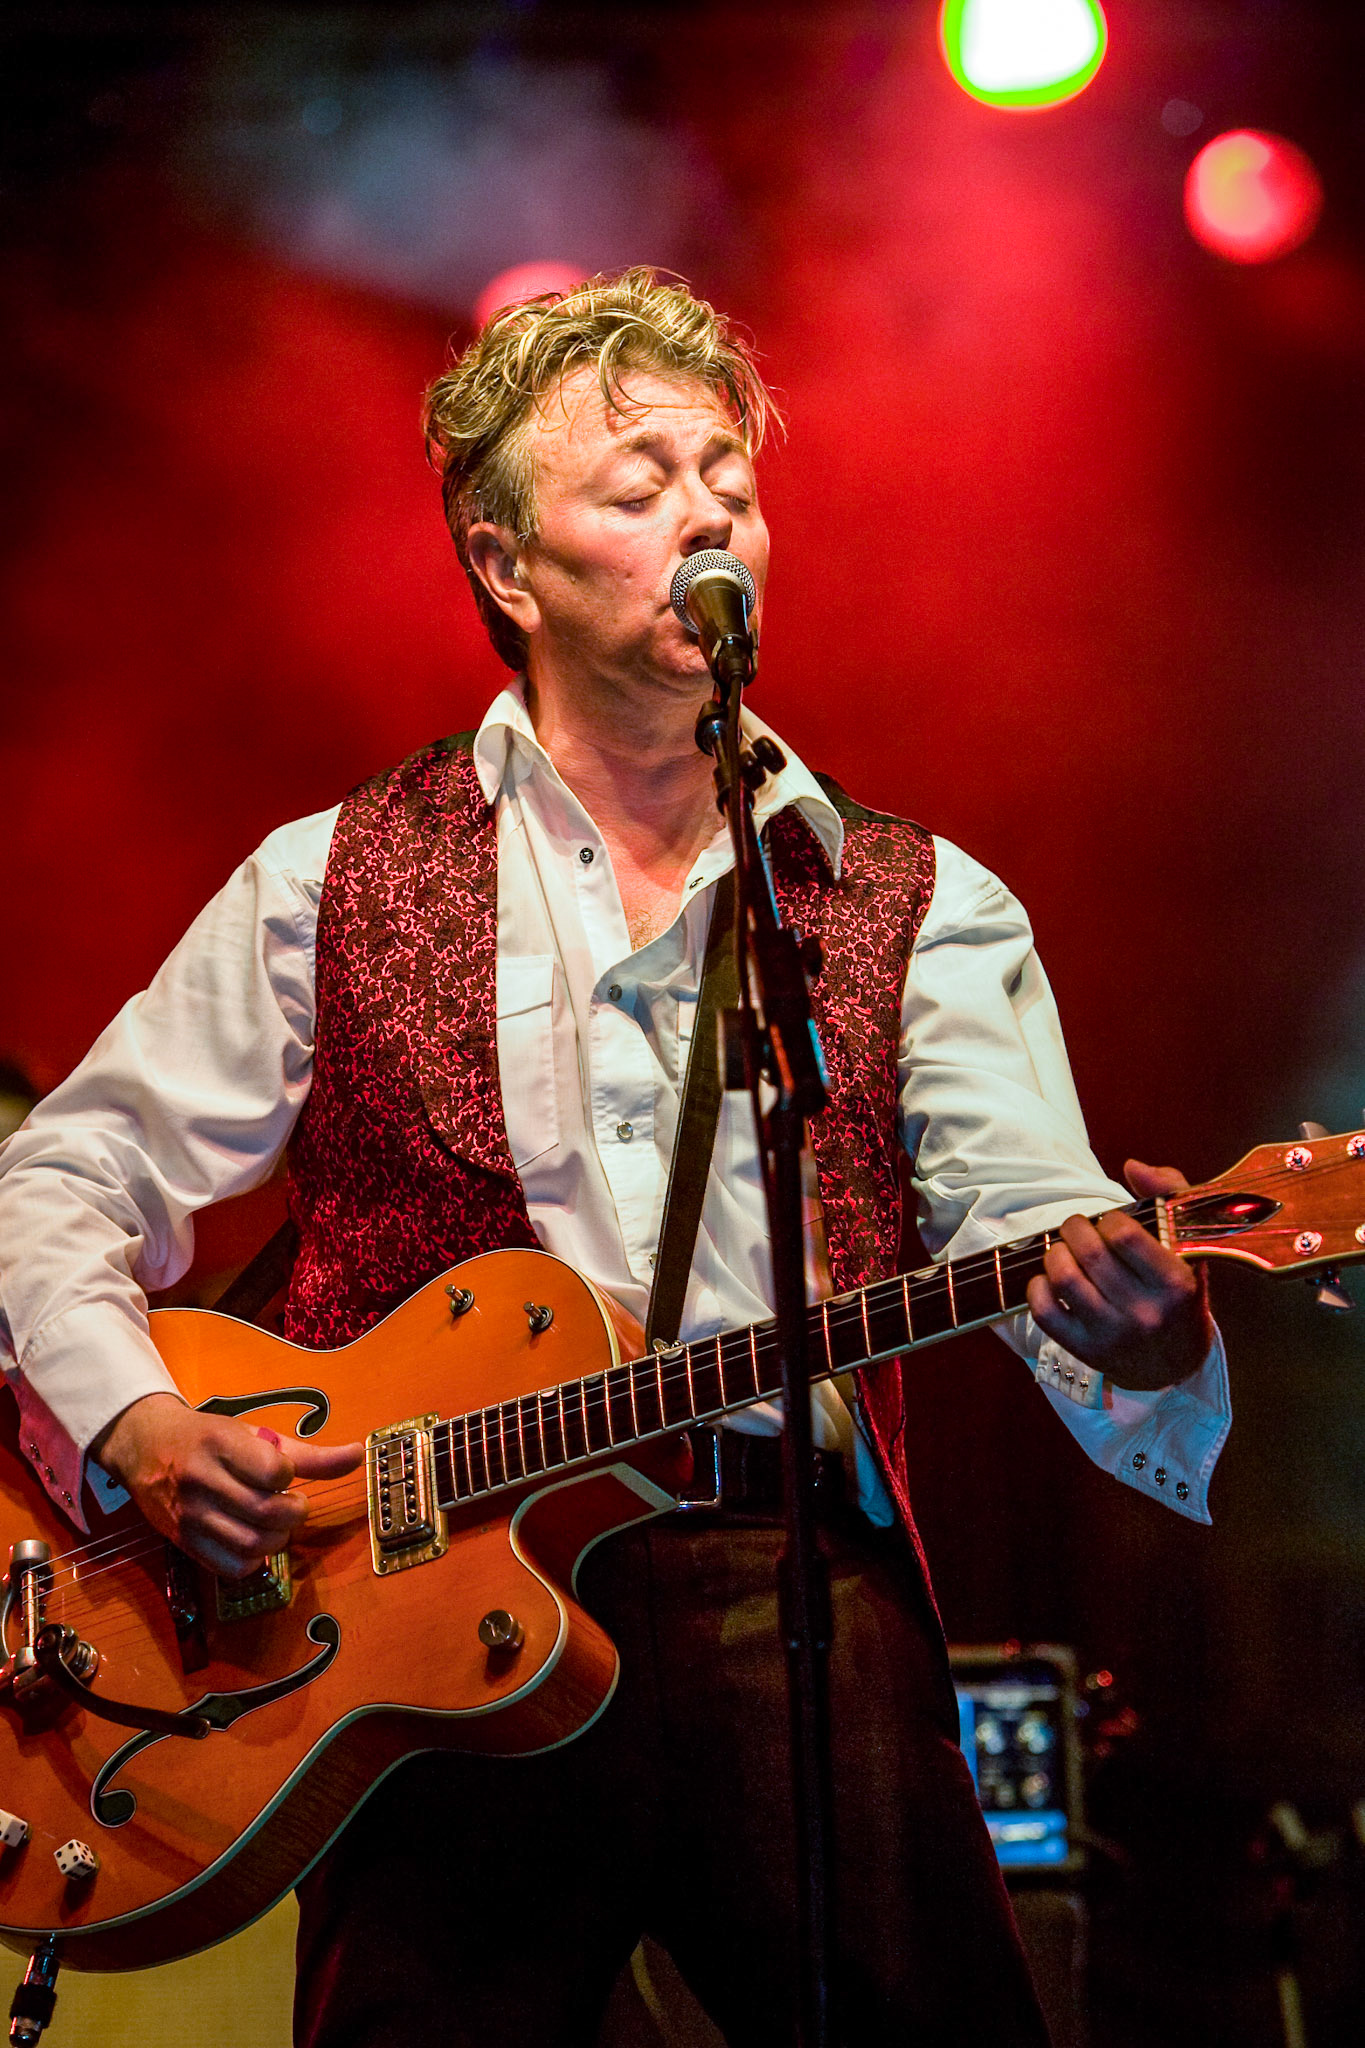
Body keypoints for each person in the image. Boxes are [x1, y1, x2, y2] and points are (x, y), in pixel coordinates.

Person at [0, 270, 1229, 2046]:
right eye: (637, 485)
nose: (706, 510)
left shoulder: (913, 901)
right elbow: (60, 1177)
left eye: (724, 473)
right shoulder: (328, 877)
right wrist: (137, 1420)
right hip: (408, 1608)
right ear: (507, 567)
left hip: (785, 1578)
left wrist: (1142, 1327)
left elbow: (1039, 1224)